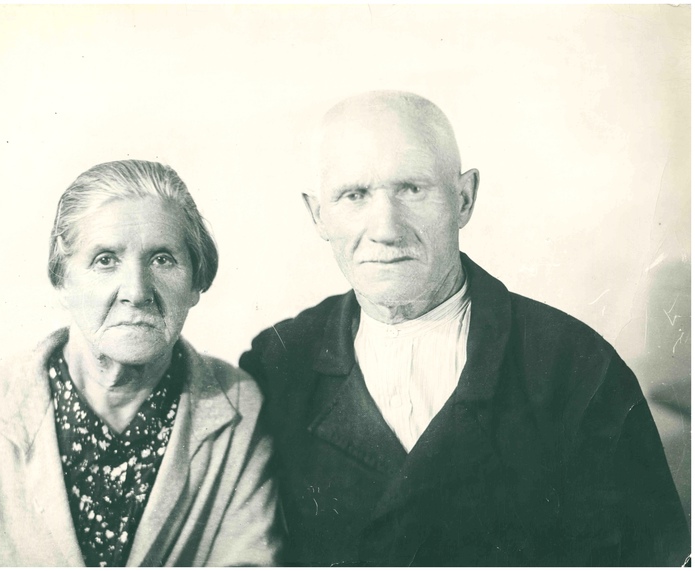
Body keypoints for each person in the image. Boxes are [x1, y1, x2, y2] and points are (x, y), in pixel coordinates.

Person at [240, 91, 689, 566]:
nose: (386, 228)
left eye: (412, 189)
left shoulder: (575, 367)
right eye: (355, 196)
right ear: (318, 215)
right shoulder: (277, 366)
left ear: (464, 198)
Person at [0, 160, 282, 566]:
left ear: (196, 281)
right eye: (105, 260)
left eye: (162, 259)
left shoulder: (239, 409)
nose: (136, 291)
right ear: (62, 280)